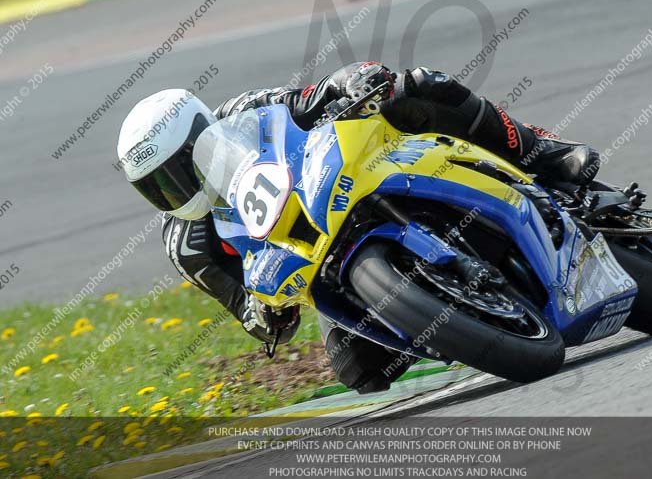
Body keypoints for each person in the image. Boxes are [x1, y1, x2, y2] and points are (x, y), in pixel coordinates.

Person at [117, 62, 599, 393]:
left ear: (202, 131)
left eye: (178, 170)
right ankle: (456, 315)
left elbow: (310, 96)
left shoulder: (242, 112)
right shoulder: (187, 244)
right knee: (361, 373)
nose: (173, 190)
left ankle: (544, 152)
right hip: (314, 263)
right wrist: (265, 317)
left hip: (342, 184)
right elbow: (249, 311)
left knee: (415, 86)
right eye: (155, 186)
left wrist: (350, 80)